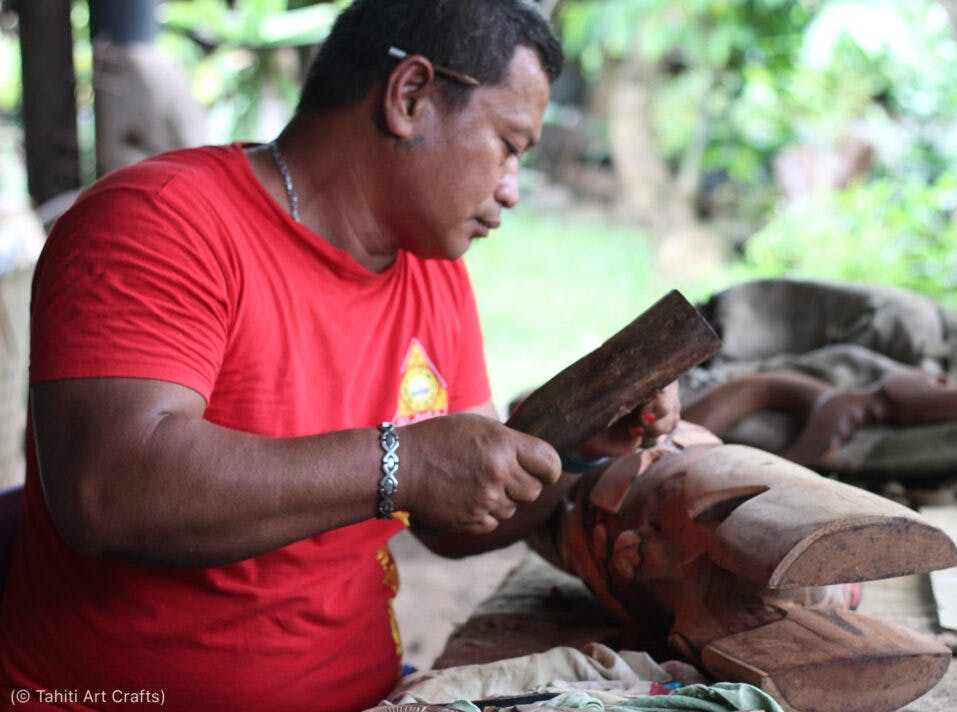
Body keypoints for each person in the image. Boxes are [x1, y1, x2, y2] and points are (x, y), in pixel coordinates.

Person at [0, 1, 680, 710]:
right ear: (411, 96)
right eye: (508, 145)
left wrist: (572, 446)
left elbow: (451, 518)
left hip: (369, 694)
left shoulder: (432, 270)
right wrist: (404, 463)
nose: (510, 188)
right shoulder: (162, 220)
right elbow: (107, 491)